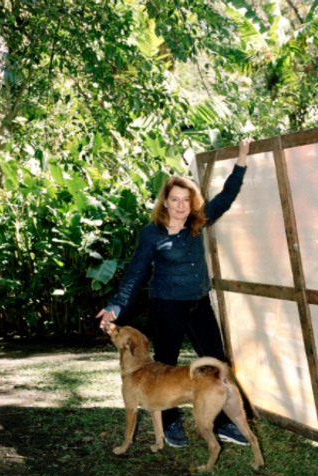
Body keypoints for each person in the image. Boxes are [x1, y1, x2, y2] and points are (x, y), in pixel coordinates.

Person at [96, 138, 254, 448]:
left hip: (198, 304)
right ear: (165, 202)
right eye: (175, 199)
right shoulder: (151, 233)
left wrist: (242, 157)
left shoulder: (199, 221)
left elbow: (227, 196)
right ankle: (170, 423)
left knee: (216, 362)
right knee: (164, 365)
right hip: (166, 306)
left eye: (186, 199)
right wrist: (115, 306)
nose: (181, 205)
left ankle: (223, 422)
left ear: (192, 202)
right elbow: (136, 273)